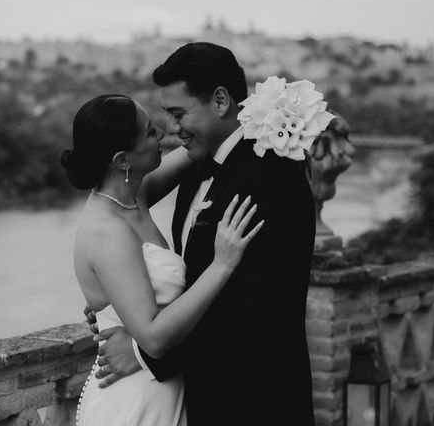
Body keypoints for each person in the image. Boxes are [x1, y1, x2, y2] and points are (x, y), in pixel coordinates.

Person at [88, 42, 317, 425]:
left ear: (221, 101)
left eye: (179, 113)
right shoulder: (196, 167)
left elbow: (253, 307)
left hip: (259, 401)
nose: (172, 129)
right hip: (199, 400)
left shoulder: (273, 177)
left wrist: (145, 352)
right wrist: (118, 305)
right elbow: (191, 276)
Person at [60, 93, 264, 425]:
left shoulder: (133, 195)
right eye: (150, 131)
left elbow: (202, 143)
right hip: (135, 401)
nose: (164, 134)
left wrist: (263, 110)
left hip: (166, 389)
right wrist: (221, 265)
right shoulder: (106, 231)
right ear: (123, 160)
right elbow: (153, 338)